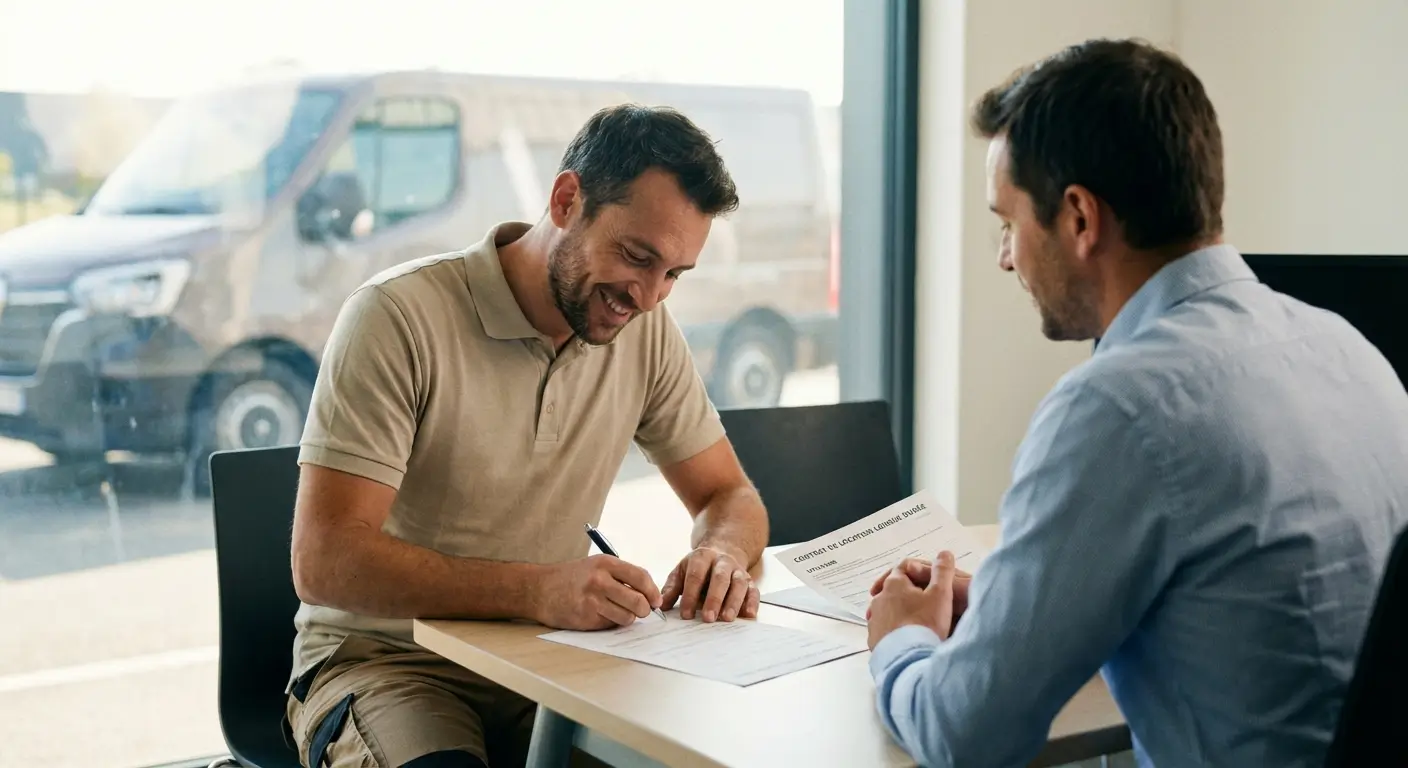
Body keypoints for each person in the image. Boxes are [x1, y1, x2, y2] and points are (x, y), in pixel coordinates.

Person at [864, 37, 1408, 767]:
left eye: (1008, 222)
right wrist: (1017, 601)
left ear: (1080, 218)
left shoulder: (1117, 409)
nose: (1004, 256)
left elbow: (965, 736)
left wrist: (901, 638)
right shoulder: (1349, 351)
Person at [285, 104, 770, 768]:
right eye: (636, 256)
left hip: (550, 667)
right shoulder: (398, 318)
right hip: (390, 662)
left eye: (674, 275)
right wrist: (539, 591)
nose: (651, 296)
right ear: (567, 200)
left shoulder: (644, 330)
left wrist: (721, 553)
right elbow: (325, 560)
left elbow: (729, 495)